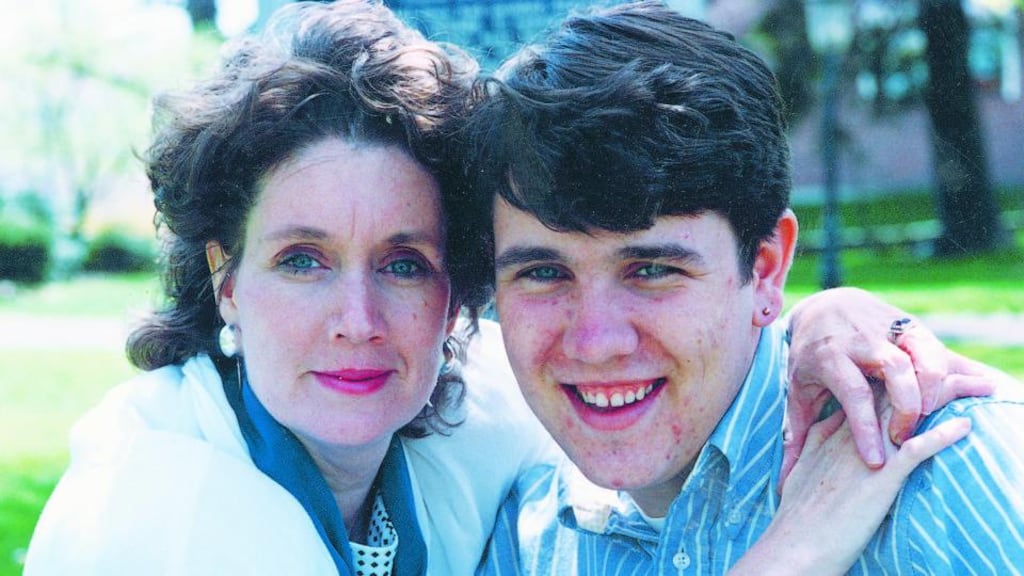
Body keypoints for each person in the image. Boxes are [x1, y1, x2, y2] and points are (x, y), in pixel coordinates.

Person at [21, 1, 993, 575]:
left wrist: (831, 318)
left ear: (459, 295)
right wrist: (792, 555)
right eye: (302, 259)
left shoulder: (486, 443)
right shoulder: (162, 524)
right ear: (224, 280)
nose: (357, 322)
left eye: (405, 262)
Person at [463, 2, 1024, 574]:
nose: (595, 343)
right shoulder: (525, 537)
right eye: (544, 273)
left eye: (651, 270)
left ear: (766, 267)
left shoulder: (946, 477)